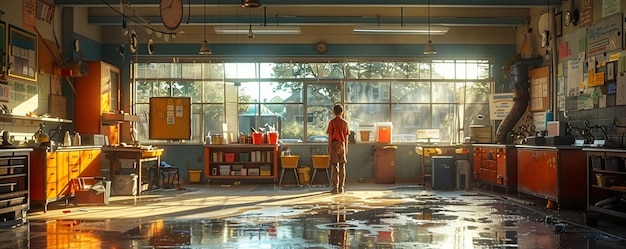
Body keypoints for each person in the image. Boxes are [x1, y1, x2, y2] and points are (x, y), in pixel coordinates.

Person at [326, 104, 349, 194]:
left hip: (334, 144)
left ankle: (335, 187)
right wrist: (346, 147)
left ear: (333, 112)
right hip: (342, 144)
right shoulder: (345, 123)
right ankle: (341, 187)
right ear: (342, 112)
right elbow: (346, 137)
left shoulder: (332, 122)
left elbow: (330, 136)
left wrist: (329, 147)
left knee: (335, 166)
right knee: (342, 166)